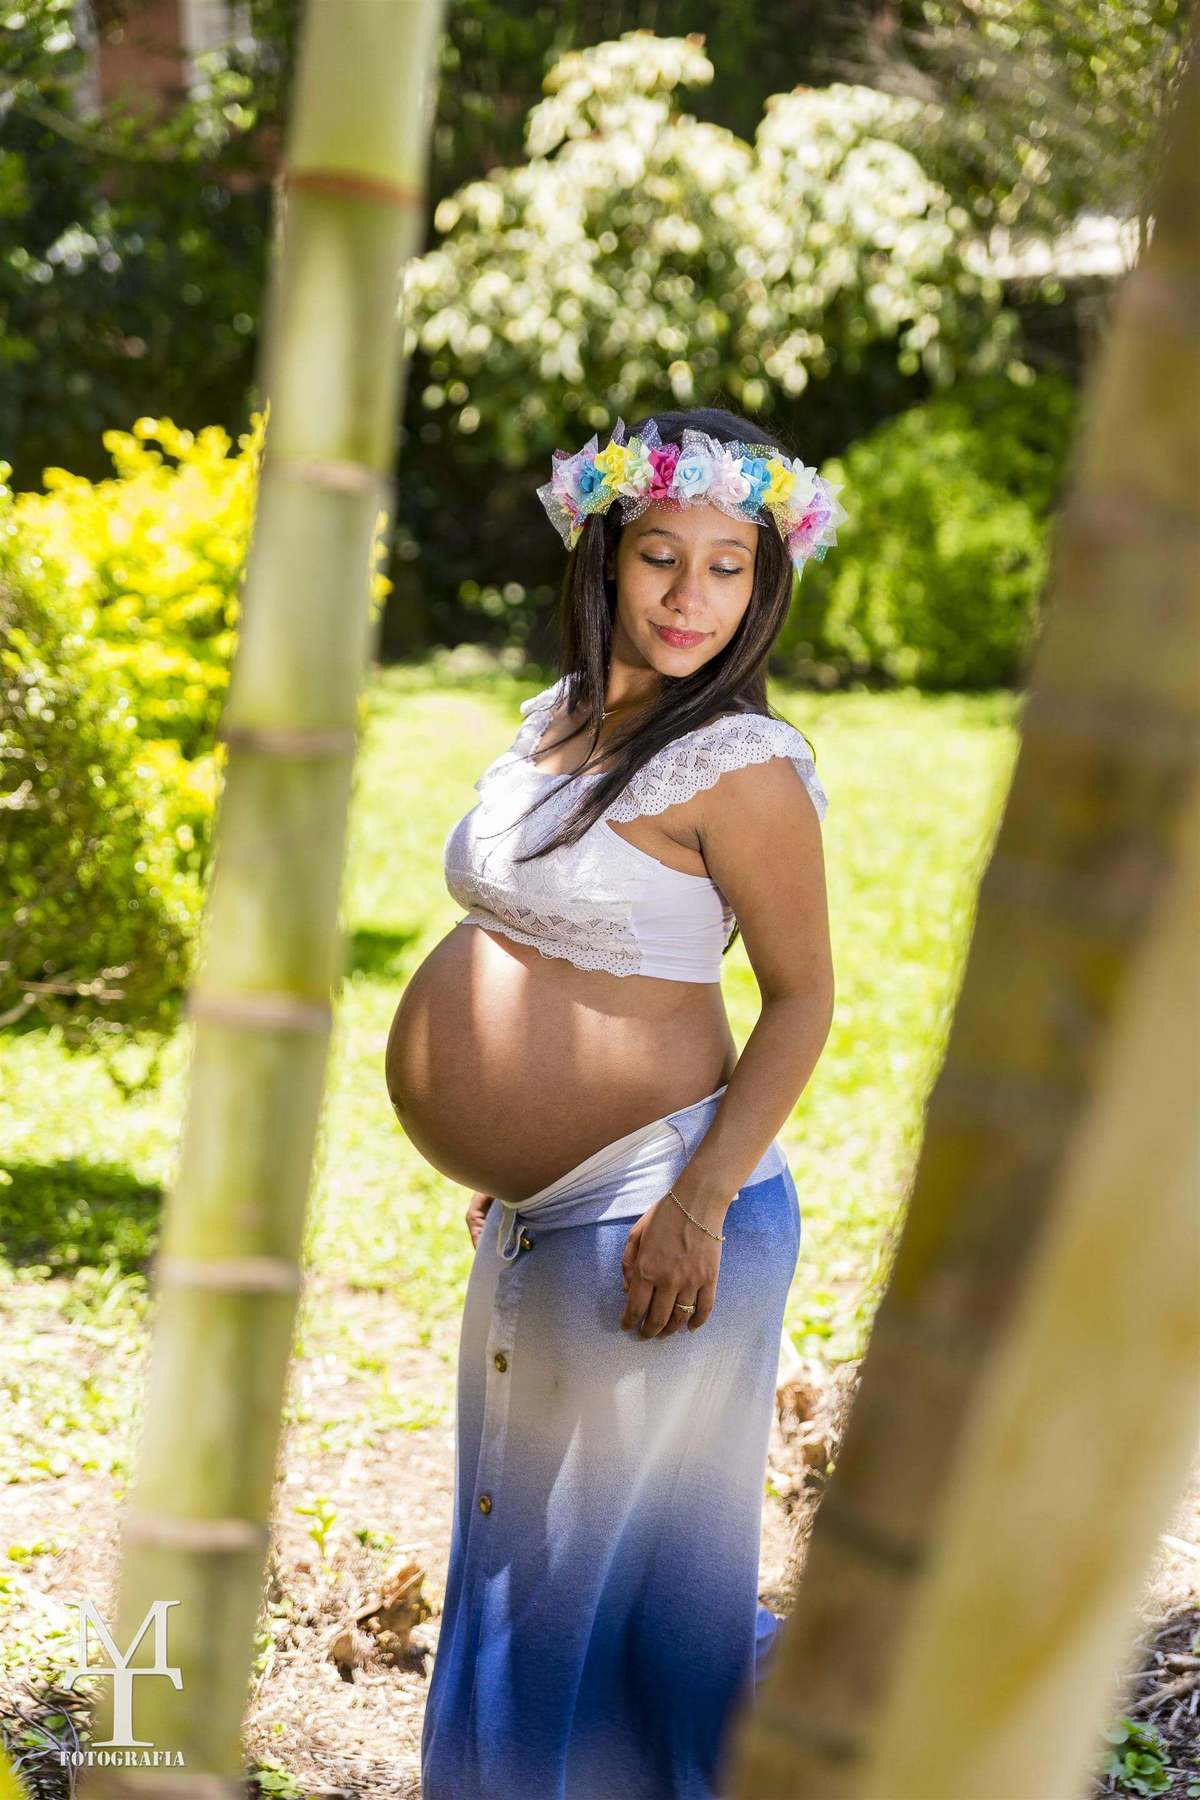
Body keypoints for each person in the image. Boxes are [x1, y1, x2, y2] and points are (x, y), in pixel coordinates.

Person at [385, 406, 844, 1799]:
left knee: (568, 1591)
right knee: (551, 1566)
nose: (692, 597)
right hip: (553, 1211)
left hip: (659, 1209)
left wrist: (697, 1202)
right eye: (661, 556)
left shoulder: (741, 765)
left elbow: (805, 996)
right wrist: (515, 1156)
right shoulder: (565, 725)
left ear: (766, 583)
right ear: (602, 556)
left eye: (728, 566)